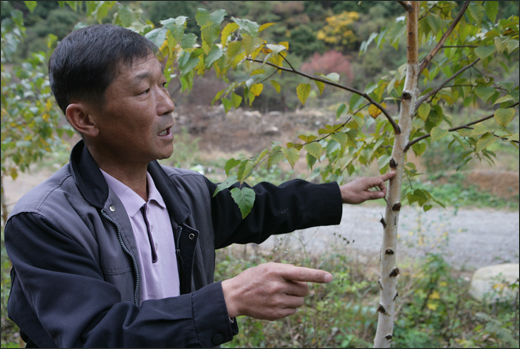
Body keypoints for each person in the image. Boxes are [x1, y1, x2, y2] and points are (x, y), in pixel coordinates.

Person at [5, 24, 395, 348]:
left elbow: (255, 207)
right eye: (144, 91)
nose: (167, 104)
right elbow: (95, 334)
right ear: (84, 119)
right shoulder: (42, 221)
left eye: (163, 85)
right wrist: (227, 299)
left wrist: (338, 193)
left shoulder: (183, 191)